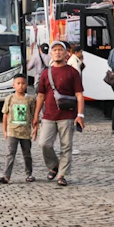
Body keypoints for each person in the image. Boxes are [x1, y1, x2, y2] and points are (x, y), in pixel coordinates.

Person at [33, 41, 84, 187]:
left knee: (66, 146)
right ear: (50, 53)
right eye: (54, 50)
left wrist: (80, 115)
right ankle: (54, 165)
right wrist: (36, 116)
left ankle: (62, 174)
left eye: (60, 50)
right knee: (44, 144)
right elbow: (40, 96)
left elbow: (79, 95)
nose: (57, 52)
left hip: (67, 115)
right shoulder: (45, 73)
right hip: (48, 115)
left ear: (66, 53)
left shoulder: (72, 72)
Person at [0, 74, 36, 184]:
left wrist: (35, 128)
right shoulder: (10, 98)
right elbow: (5, 115)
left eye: (23, 83)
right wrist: (5, 130)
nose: (21, 86)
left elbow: (33, 116)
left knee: (27, 154)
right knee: (10, 153)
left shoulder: (30, 100)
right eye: (18, 83)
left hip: (25, 132)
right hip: (12, 131)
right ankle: (6, 176)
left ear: (27, 85)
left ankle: (29, 174)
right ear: (13, 85)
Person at [67, 44, 85, 155]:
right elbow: (76, 76)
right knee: (70, 122)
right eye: (81, 52)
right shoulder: (74, 62)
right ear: (77, 52)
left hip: (73, 92)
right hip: (73, 93)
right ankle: (69, 147)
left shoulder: (75, 60)